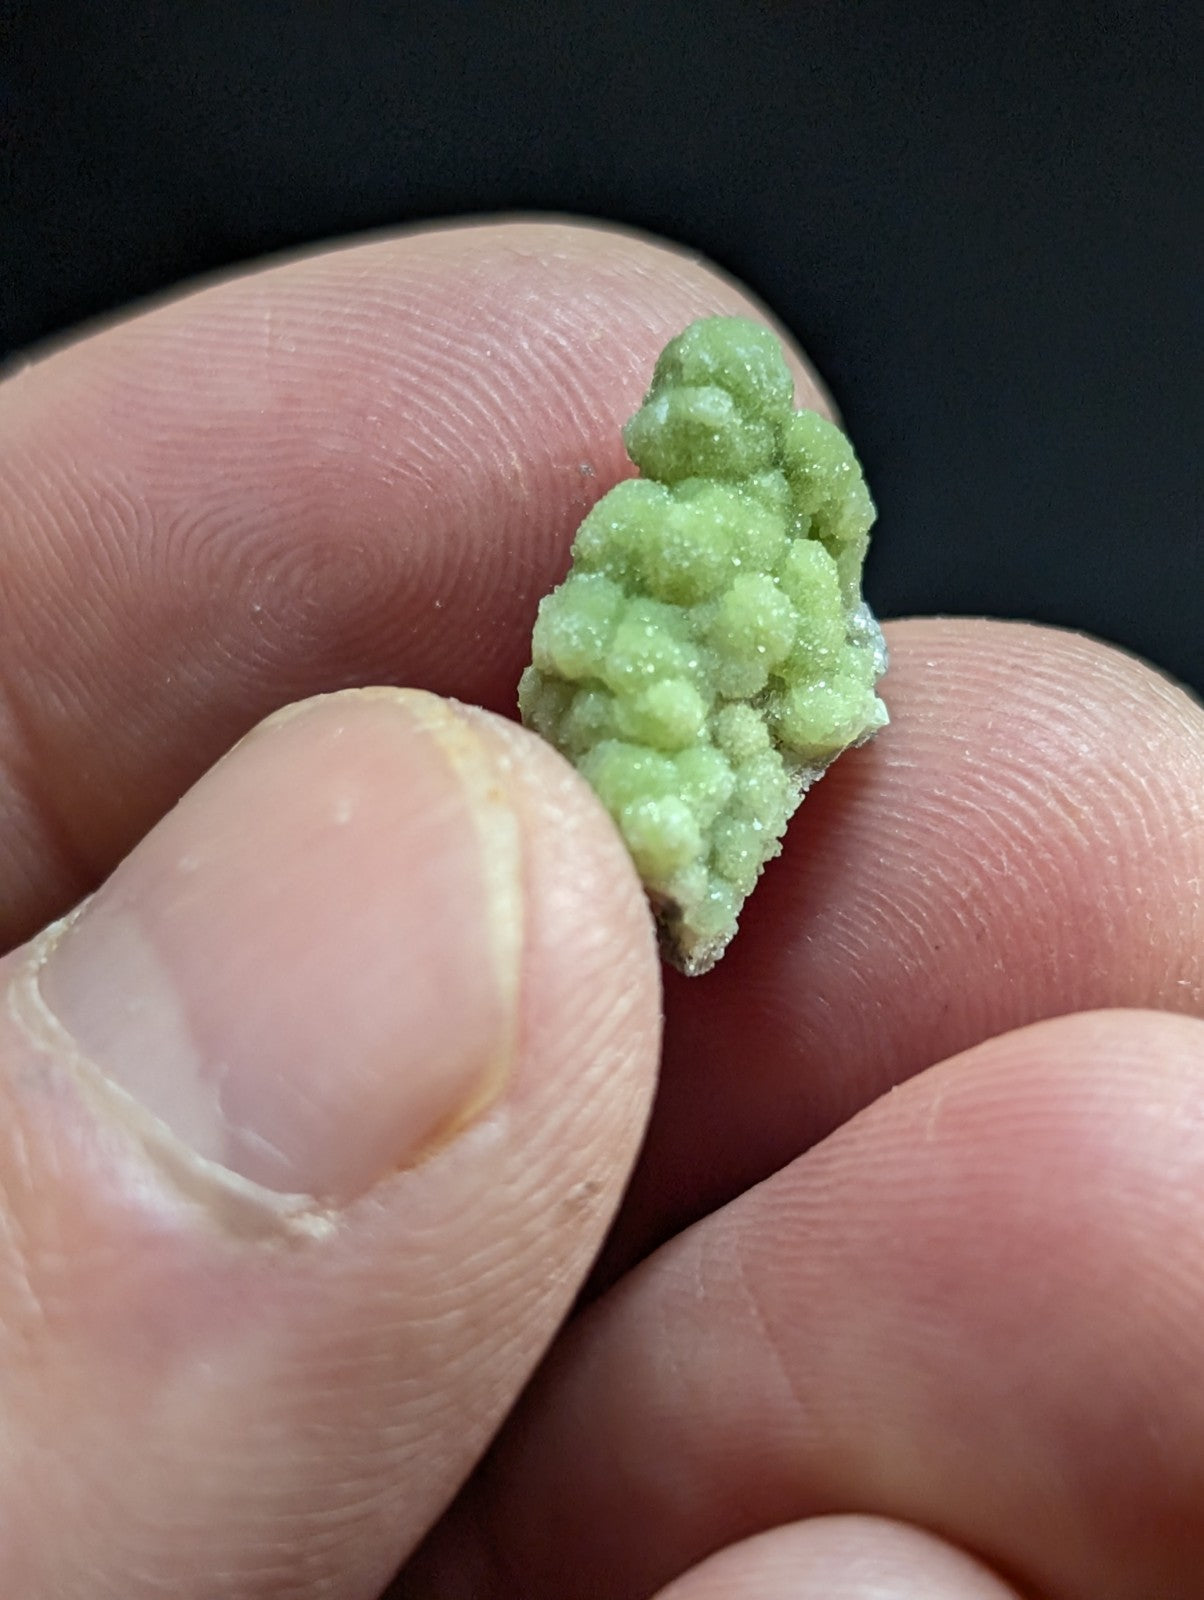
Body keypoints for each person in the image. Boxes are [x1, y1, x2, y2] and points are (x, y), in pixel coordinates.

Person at [0, 219, 1200, 1600]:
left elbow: (722, 655)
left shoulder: (737, 551)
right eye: (673, 410)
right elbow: (594, 643)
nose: (670, 420)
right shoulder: (651, 531)